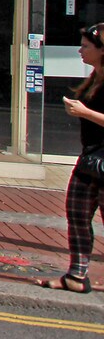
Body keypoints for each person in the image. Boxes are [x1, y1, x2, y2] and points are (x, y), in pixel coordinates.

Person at [42, 22, 104, 294]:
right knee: (77, 215)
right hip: (90, 159)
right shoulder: (95, 77)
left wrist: (85, 112)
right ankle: (76, 277)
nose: (80, 50)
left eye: (86, 46)